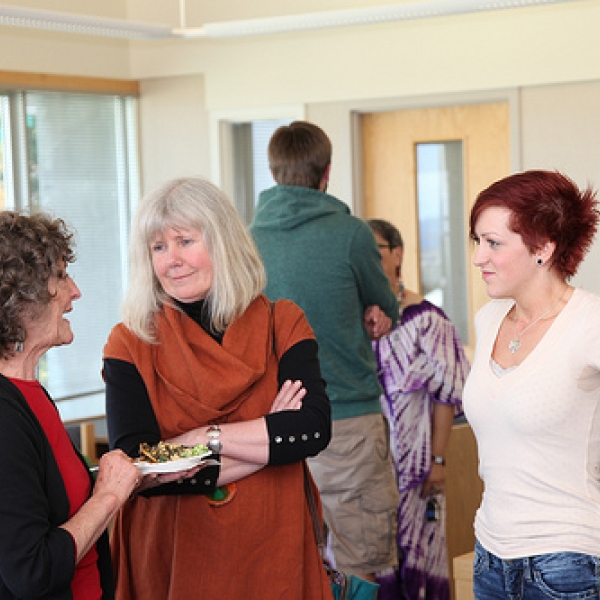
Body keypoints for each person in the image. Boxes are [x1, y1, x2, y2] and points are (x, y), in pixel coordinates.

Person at [103, 177, 333, 600]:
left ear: (223, 243)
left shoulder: (283, 323)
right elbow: (141, 463)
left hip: (272, 547)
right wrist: (269, 442)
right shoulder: (130, 342)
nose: (171, 260)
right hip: (173, 553)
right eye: (158, 247)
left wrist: (199, 440)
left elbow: (311, 430)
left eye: (185, 241)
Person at [250, 120, 400, 583]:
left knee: (295, 561)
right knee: (363, 562)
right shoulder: (351, 233)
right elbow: (387, 300)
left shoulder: (246, 238)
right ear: (327, 171)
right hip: (347, 418)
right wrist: (378, 311)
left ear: (273, 169)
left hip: (277, 420)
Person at [465, 170, 600, 599]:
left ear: (543, 248)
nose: (478, 257)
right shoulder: (487, 321)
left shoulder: (590, 322)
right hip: (490, 553)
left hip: (567, 561)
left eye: (493, 243)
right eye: (477, 241)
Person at [0, 211, 141, 600]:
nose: (75, 290)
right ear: (21, 297)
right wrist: (108, 498)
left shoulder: (31, 394)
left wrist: (125, 480)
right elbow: (32, 571)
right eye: (61, 276)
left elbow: (52, 504)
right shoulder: (4, 416)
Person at [367, 218, 469, 600]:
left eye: (376, 251)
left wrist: (439, 461)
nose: (368, 259)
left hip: (417, 464)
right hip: (368, 467)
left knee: (420, 555)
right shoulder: (356, 322)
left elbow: (447, 394)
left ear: (397, 254)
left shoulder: (428, 320)